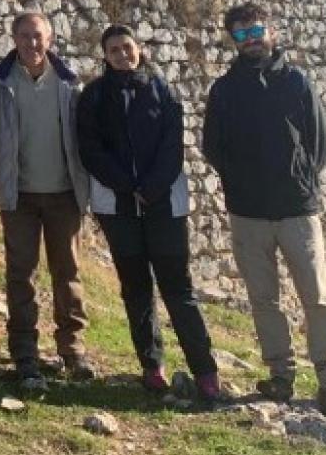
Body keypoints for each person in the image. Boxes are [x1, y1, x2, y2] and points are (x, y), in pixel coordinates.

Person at [203, 2, 326, 422]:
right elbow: (213, 146)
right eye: (242, 35)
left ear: (272, 31)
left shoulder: (297, 82)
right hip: (248, 211)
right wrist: (239, 184)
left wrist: (302, 182)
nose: (251, 41)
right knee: (263, 299)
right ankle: (281, 375)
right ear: (234, 41)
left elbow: (319, 144)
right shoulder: (225, 90)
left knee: (316, 296)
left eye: (256, 31)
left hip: (296, 208)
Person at [77, 24, 220, 400]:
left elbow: (172, 145)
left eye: (127, 47)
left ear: (138, 48)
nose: (122, 55)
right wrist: (127, 186)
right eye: (114, 50)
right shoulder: (93, 97)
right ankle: (151, 365)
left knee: (178, 288)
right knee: (137, 289)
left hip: (164, 203)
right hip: (118, 206)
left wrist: (151, 189)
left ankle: (205, 370)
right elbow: (90, 149)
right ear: (104, 56)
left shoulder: (163, 90)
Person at [0, 11, 97, 389]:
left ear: (50, 39)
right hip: (20, 196)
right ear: (13, 38)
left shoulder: (69, 84)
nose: (32, 43)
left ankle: (73, 348)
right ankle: (25, 353)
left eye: (38, 36)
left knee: (68, 274)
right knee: (21, 276)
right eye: (25, 36)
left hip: (64, 194)